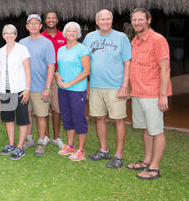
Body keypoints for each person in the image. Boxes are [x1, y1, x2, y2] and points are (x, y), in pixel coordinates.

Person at [83, 9, 131, 169]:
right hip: (96, 85)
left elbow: (127, 63)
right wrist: (87, 82)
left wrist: (125, 85)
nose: (105, 21)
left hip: (115, 87)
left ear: (112, 20)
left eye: (108, 19)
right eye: (102, 19)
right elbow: (84, 60)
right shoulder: (89, 37)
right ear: (96, 21)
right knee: (99, 118)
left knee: (118, 120)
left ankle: (118, 155)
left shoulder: (121, 37)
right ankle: (104, 150)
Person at [127, 8, 172, 180]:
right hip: (139, 92)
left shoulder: (158, 40)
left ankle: (155, 167)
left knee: (157, 130)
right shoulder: (135, 41)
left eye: (140, 20)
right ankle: (146, 161)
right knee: (147, 129)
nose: (137, 23)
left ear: (148, 20)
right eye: (134, 20)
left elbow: (165, 68)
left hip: (153, 93)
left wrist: (162, 94)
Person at [19, 14, 55, 157]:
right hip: (25, 87)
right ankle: (29, 139)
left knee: (41, 115)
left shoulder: (47, 43)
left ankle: (41, 142)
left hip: (40, 88)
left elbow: (51, 66)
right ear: (27, 26)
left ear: (41, 26)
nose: (33, 25)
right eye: (30, 23)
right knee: (27, 114)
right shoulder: (22, 42)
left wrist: (47, 88)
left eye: (36, 23)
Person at [55, 22, 91, 162]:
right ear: (64, 33)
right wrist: (57, 75)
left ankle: (80, 150)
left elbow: (87, 71)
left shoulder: (82, 49)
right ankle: (70, 145)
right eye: (68, 31)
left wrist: (70, 83)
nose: (71, 33)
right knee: (67, 116)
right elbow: (59, 68)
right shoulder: (61, 50)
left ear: (78, 33)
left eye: (74, 31)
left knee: (78, 118)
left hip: (76, 90)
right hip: (62, 89)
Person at [0, 24, 31, 161]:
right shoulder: (0, 51)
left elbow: (28, 70)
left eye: (11, 33)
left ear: (16, 35)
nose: (9, 35)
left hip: (20, 91)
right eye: (6, 33)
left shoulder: (22, 49)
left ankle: (20, 147)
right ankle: (11, 144)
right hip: (5, 91)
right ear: (3, 35)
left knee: (22, 120)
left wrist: (27, 89)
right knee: (8, 119)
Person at [41, 12, 67, 149]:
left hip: (58, 77)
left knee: (57, 108)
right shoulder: (41, 37)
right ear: (45, 21)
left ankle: (56, 137)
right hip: (43, 77)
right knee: (43, 108)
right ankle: (45, 136)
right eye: (48, 18)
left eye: (53, 18)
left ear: (57, 20)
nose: (51, 20)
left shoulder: (64, 36)